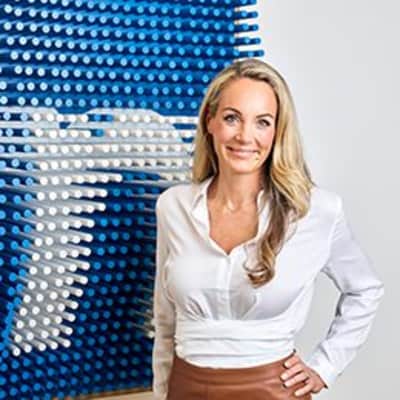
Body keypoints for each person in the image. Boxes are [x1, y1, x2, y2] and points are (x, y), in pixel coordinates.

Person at [152, 58, 384, 400]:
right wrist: (162, 392)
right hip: (186, 387)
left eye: (262, 122)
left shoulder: (315, 210)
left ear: (277, 132)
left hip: (274, 390)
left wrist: (325, 366)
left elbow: (365, 289)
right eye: (232, 118)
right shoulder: (173, 206)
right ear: (210, 121)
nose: (245, 136)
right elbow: (165, 319)